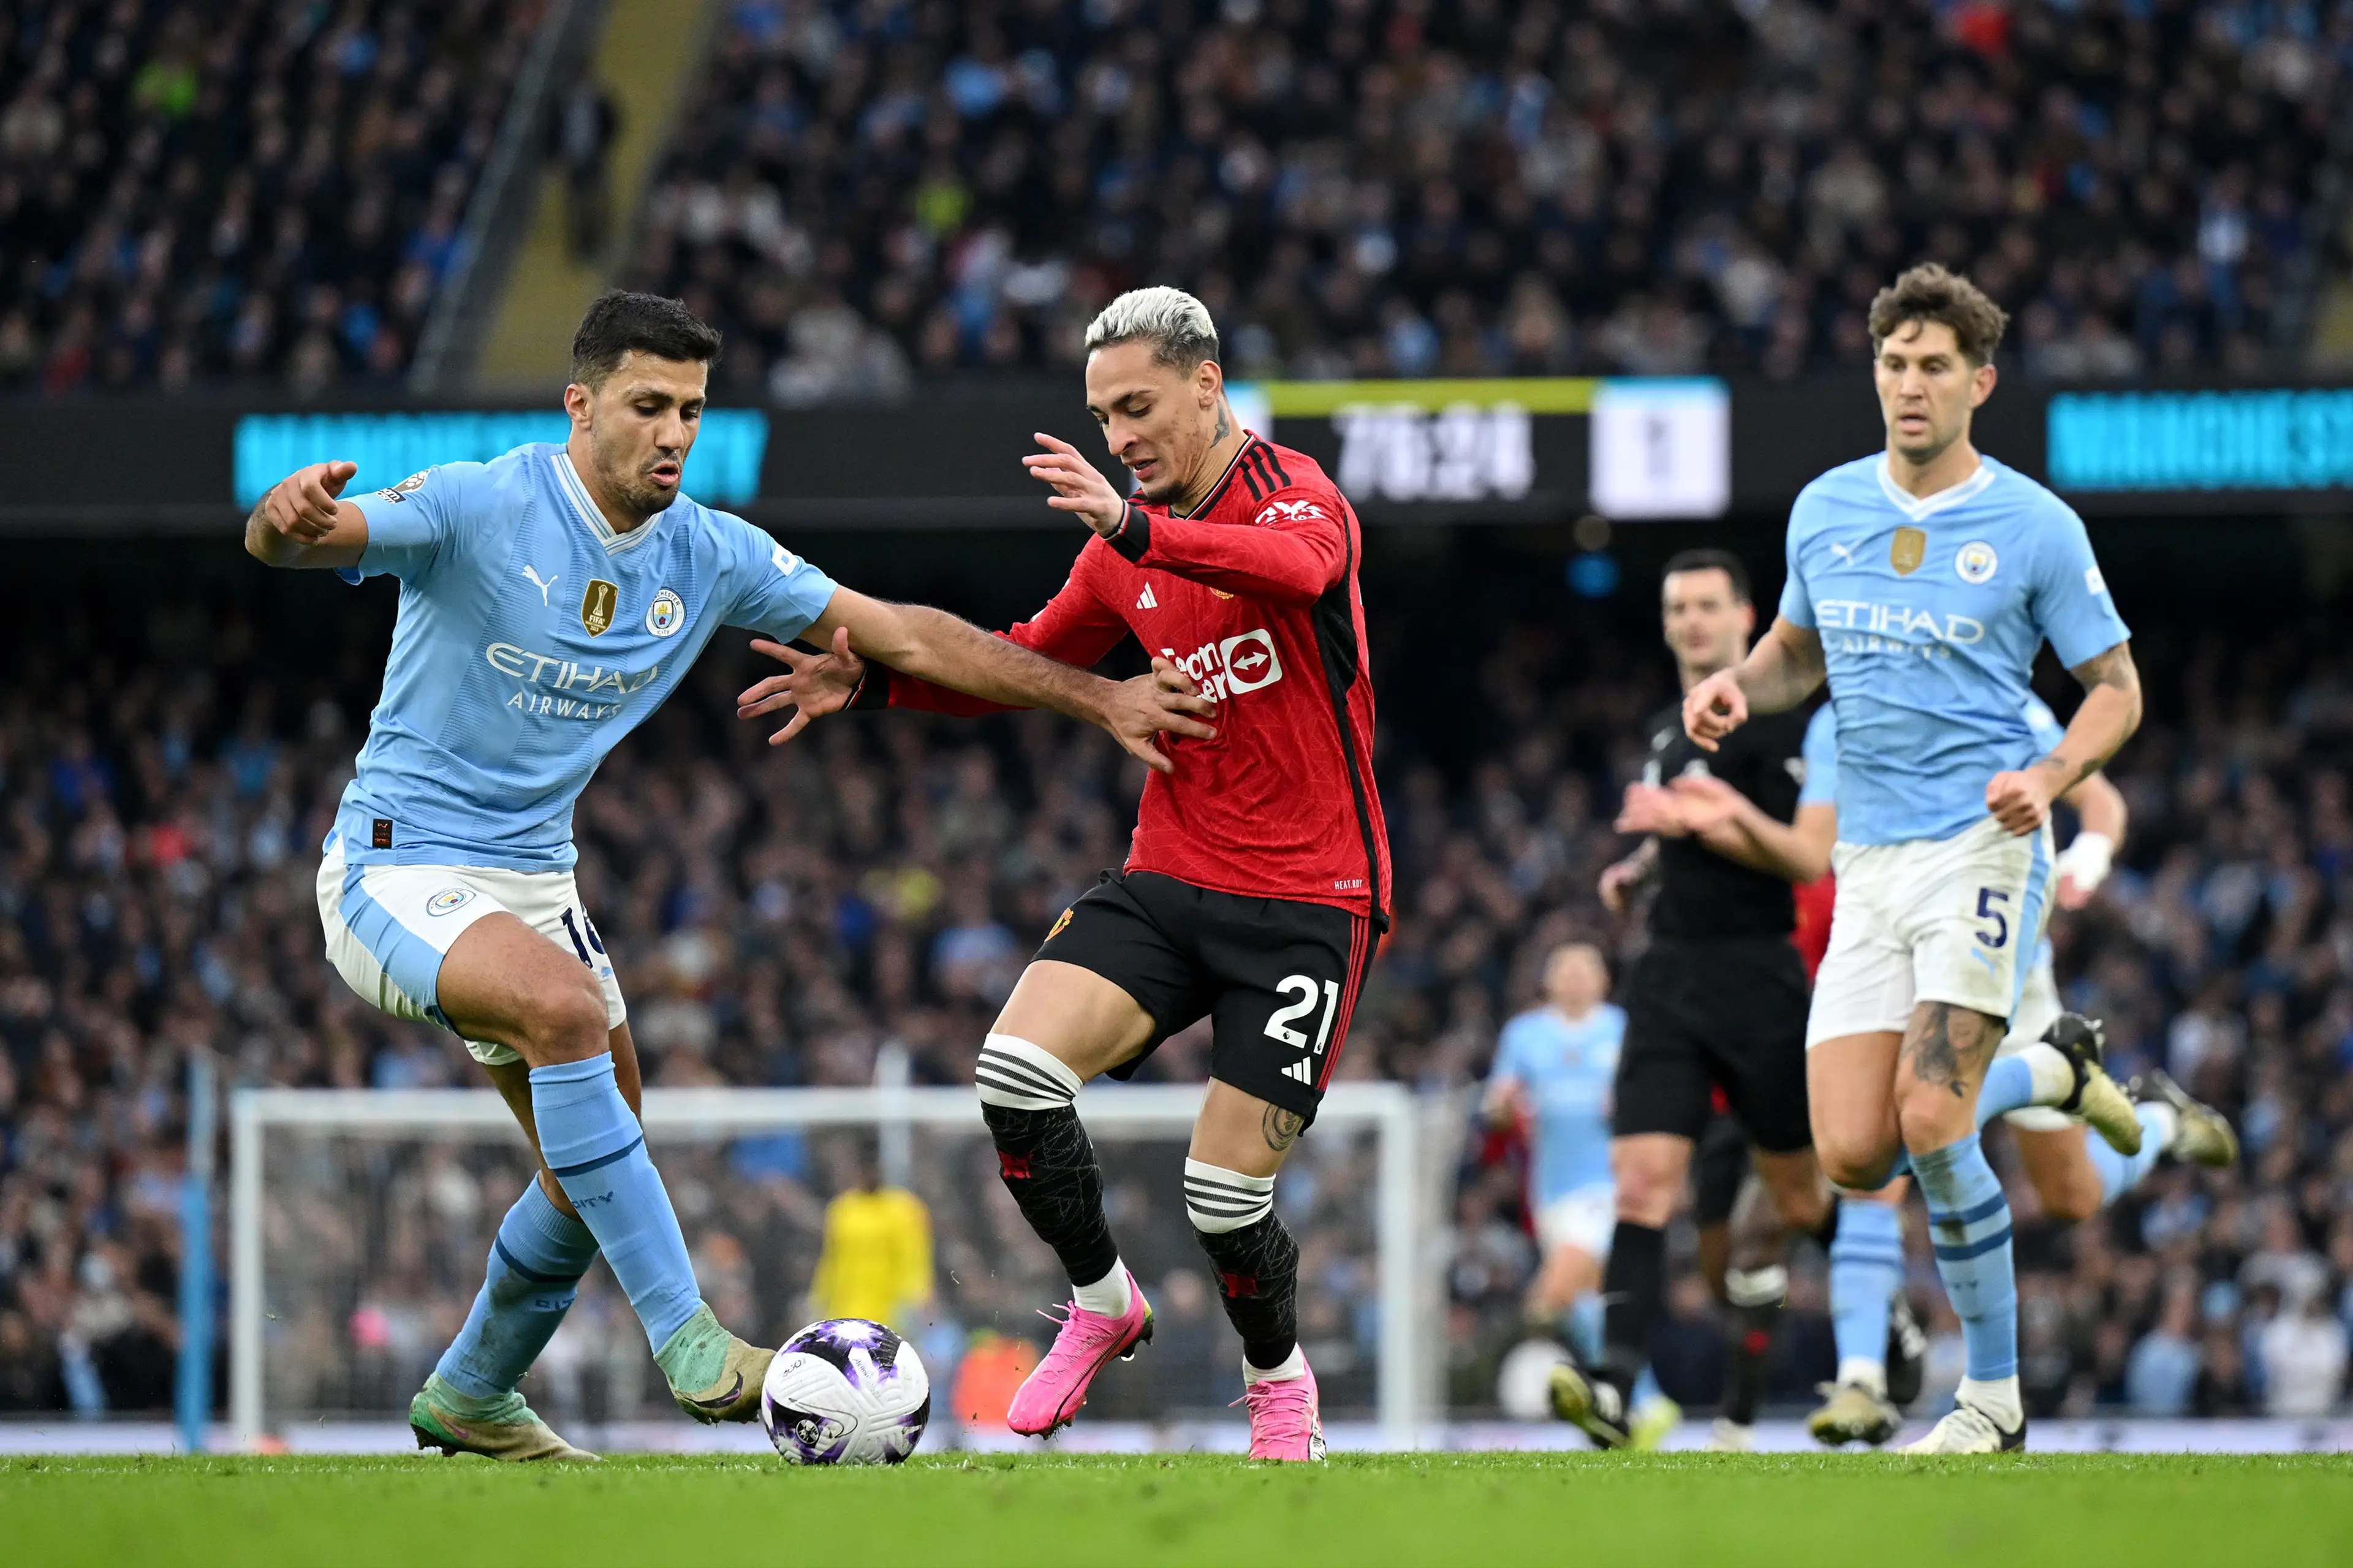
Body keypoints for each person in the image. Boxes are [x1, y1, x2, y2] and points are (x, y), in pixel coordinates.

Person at [244, 289, 1214, 1463]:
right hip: (395, 863)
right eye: (649, 405)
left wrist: (1098, 692)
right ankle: (694, 1341)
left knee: (591, 1160)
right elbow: (297, 541)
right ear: (580, 405)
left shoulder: (706, 553)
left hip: (536, 880)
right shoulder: (478, 501)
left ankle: (472, 1392)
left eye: (691, 412)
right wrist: (283, 515)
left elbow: (902, 632)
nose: (673, 433)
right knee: (561, 1014)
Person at [739, 286, 1387, 1461]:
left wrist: (1134, 531)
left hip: (1312, 901)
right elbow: (1026, 659)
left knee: (1223, 1199)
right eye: (1102, 417)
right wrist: (877, 684)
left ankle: (1280, 1381)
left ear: (1207, 383)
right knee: (1014, 1071)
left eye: (1138, 407)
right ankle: (1100, 1299)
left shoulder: (1295, 495)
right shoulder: (1119, 548)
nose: (1121, 437)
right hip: (1174, 872)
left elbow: (1294, 570)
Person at [1683, 262, 2145, 1452]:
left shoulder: (2037, 523)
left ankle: (1991, 1400)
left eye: (1935, 364)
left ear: (1979, 381)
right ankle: (2054, 1073)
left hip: (1981, 850)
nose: (1911, 384)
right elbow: (1795, 654)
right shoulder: (1827, 507)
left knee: (1934, 1119)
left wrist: (2049, 777)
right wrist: (1742, 685)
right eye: (1895, 363)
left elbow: (2116, 693)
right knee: (1852, 1149)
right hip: (1871, 868)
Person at [1801, 695, 2238, 1445]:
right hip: (1894, 951)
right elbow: (1818, 848)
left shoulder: (2001, 699)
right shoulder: (1842, 711)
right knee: (1879, 1147)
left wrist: (2086, 860)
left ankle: (2153, 1119)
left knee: (2071, 1193)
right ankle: (1862, 1380)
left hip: (2003, 962)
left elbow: (2100, 803)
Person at [1544, 548, 1836, 1452]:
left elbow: (1802, 856)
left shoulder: (1787, 720)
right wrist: (1642, 868)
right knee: (1640, 1184)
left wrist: (1717, 817)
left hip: (1758, 971)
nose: (1693, 621)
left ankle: (1885, 1325)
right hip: (1667, 972)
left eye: (1710, 604)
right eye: (1679, 607)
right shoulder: (1668, 727)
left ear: (1748, 617)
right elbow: (1684, 835)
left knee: (1796, 1193)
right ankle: (1614, 1384)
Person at [1481, 944, 1624, 1360]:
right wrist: (1502, 1108)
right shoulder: (1524, 1035)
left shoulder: (1623, 1029)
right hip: (1550, 1189)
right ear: (1547, 980)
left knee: (1552, 1294)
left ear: (1604, 979)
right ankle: (1633, 1395)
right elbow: (1496, 1107)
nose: (1576, 976)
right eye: (1565, 968)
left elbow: (1655, 1100)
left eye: (1586, 968)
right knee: (1589, 1299)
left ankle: (1511, 1363)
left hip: (1607, 1183)